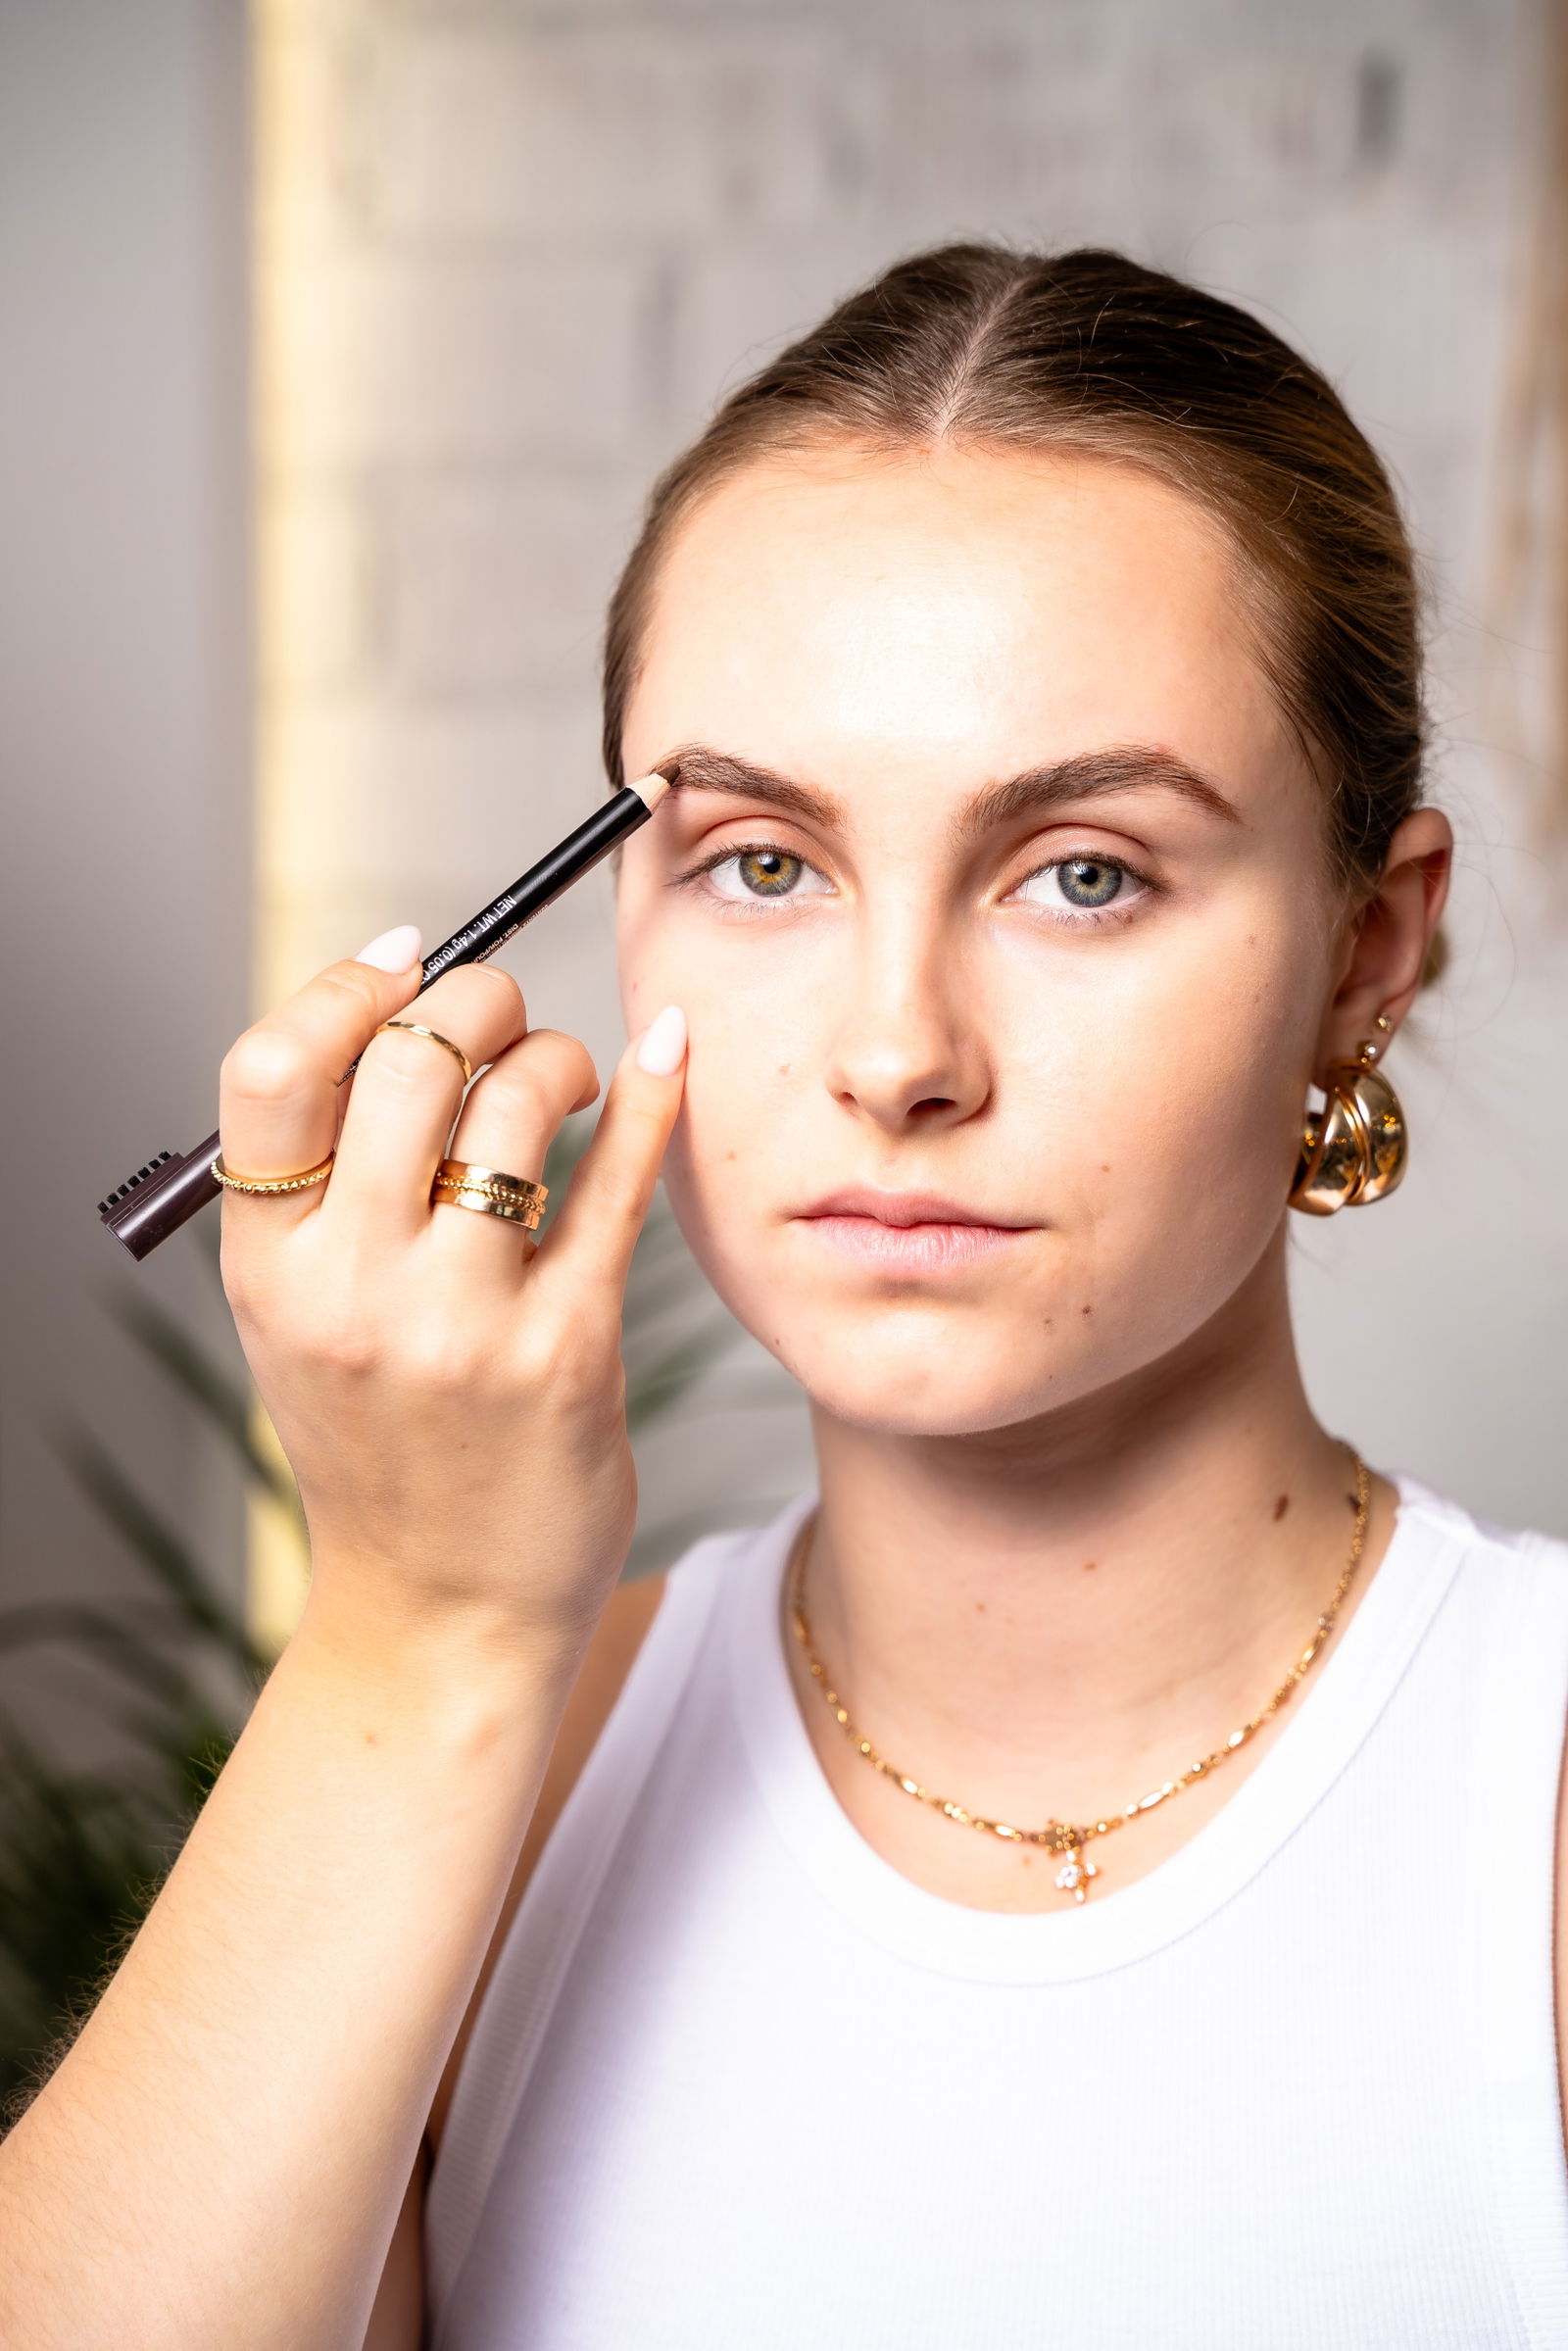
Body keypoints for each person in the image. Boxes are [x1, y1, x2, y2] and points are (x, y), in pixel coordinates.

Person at [2, 242, 1563, 2350]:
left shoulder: (1529, 1808)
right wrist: (420, 1624)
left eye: (1082, 873)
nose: (894, 1052)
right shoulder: (474, 1752)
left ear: (1364, 951)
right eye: (763, 862)